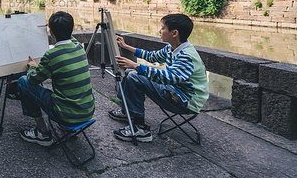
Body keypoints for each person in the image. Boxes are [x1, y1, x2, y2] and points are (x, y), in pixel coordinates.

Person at [109, 13, 209, 143]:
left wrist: (135, 66)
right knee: (130, 73)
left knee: (134, 76)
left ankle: (141, 129)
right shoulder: (172, 48)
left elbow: (168, 78)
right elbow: (152, 57)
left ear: (174, 33)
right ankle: (127, 110)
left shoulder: (186, 56)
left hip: (186, 101)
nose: (159, 31)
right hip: (175, 92)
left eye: (162, 28)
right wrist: (126, 47)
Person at [17, 11, 95, 146]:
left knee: (23, 82)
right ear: (71, 29)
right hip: (87, 112)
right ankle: (64, 127)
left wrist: (33, 66)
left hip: (65, 115)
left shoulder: (52, 55)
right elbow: (69, 36)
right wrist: (58, 27)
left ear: (51, 33)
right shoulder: (79, 48)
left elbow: (33, 80)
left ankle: (42, 132)